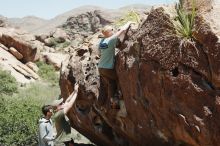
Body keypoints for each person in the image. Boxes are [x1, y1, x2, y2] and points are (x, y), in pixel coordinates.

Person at [98, 21, 134, 109]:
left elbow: (99, 53)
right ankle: (118, 97)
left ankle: (112, 100)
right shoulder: (111, 39)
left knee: (111, 82)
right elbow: (122, 30)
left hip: (101, 68)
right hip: (107, 68)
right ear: (109, 32)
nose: (113, 31)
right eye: (112, 30)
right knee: (118, 78)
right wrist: (129, 22)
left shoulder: (102, 41)